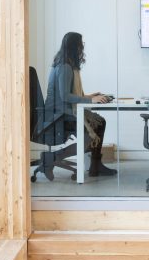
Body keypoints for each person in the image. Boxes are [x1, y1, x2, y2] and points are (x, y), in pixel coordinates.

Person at [41, 31, 115, 179]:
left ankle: (95, 165)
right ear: (75, 47)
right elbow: (65, 96)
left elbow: (70, 94)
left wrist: (91, 96)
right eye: (81, 44)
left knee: (100, 123)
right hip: (58, 116)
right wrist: (90, 100)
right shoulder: (64, 67)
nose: (83, 47)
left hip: (62, 112)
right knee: (92, 132)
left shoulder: (66, 64)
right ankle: (53, 157)